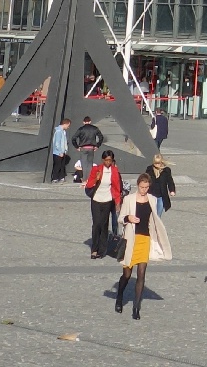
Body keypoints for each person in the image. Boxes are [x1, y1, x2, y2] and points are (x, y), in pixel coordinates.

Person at [113, 169, 168, 319]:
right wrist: (128, 218)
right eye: (142, 187)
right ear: (138, 185)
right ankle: (119, 297)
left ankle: (136, 308)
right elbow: (120, 218)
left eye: (146, 187)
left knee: (142, 274)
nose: (144, 190)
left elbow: (155, 219)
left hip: (145, 239)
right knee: (127, 274)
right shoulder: (129, 199)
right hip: (132, 239)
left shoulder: (152, 199)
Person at [86, 151, 121, 258]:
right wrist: (96, 179)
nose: (108, 162)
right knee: (96, 224)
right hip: (96, 199)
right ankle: (94, 249)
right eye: (106, 160)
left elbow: (117, 187)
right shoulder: (96, 169)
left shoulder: (114, 170)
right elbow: (89, 185)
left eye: (110, 160)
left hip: (107, 200)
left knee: (104, 224)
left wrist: (117, 202)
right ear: (102, 160)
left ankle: (102, 249)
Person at [71, 114, 102, 180]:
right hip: (91, 148)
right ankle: (89, 179)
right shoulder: (94, 128)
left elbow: (73, 138)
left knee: (84, 164)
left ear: (83, 122)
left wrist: (76, 146)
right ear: (90, 121)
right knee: (90, 164)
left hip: (83, 148)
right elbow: (101, 137)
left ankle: (84, 179)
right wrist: (97, 145)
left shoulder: (81, 129)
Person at [48, 117, 70, 183]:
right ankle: (55, 178)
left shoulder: (63, 132)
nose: (68, 127)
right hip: (58, 152)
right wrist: (60, 151)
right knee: (57, 165)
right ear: (65, 124)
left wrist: (65, 151)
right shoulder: (58, 132)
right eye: (68, 125)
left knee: (62, 165)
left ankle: (61, 177)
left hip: (62, 152)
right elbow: (57, 143)